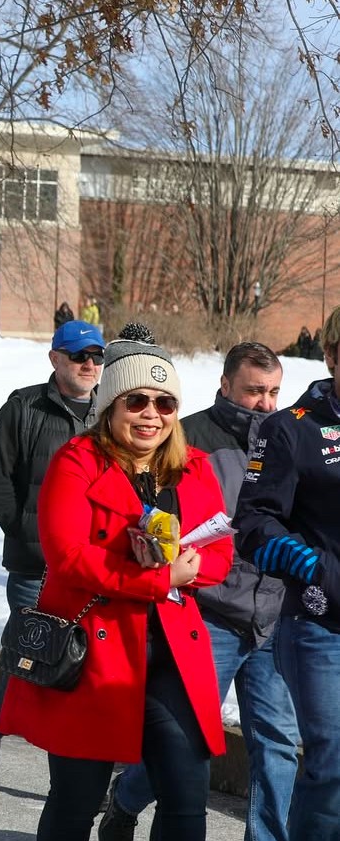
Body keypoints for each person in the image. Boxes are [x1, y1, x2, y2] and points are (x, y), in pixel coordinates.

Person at [0, 331, 233, 841]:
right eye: (138, 401)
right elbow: (67, 557)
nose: (152, 414)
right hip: (94, 650)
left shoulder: (192, 467)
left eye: (165, 402)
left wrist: (189, 568)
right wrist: (153, 577)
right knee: (76, 801)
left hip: (173, 648)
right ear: (111, 404)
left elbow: (219, 552)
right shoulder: (77, 461)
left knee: (187, 798)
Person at [104, 342, 297, 841]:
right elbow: (156, 515)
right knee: (187, 738)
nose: (266, 402)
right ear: (225, 385)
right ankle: (126, 796)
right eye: (255, 391)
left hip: (273, 614)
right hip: (207, 611)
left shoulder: (287, 436)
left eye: (274, 391)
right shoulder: (188, 438)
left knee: (276, 741)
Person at [0, 319, 106, 781]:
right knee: (33, 663)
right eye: (78, 356)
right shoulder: (24, 406)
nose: (89, 365)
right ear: (55, 359)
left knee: (86, 671)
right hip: (37, 567)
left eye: (96, 357)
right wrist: (29, 533)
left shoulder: (109, 413)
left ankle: (75, 781)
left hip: (93, 568)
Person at [234, 305, 340, 840]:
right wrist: (309, 564)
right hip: (320, 624)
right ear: (331, 356)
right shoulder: (290, 429)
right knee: (335, 761)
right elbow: (253, 520)